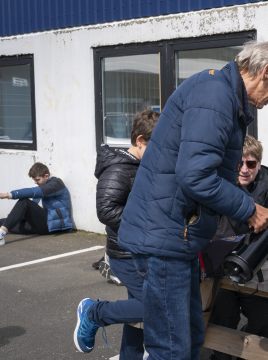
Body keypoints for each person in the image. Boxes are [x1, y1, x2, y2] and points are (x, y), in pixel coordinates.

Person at [113, 40, 268, 360]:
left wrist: (251, 214)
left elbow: (214, 178)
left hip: (176, 236)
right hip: (166, 237)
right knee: (173, 346)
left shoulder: (224, 95)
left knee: (189, 336)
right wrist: (250, 208)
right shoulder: (216, 94)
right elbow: (196, 176)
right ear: (266, 71)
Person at [73, 109, 159, 358]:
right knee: (152, 307)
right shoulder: (118, 169)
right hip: (125, 255)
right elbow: (107, 211)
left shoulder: (141, 165)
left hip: (141, 251)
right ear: (140, 141)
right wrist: (149, 226)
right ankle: (94, 312)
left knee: (136, 317)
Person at [208, 135, 268, 360]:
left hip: (252, 264)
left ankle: (245, 352)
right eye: (238, 163)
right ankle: (221, 355)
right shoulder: (216, 182)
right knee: (223, 318)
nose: (244, 169)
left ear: (259, 164)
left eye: (250, 164)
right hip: (216, 266)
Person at [0, 162, 73, 248]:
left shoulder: (56, 184)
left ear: (46, 176)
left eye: (37, 180)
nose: (35, 182)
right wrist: (15, 217)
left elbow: (32, 192)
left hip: (54, 226)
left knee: (24, 201)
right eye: (34, 180)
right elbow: (30, 211)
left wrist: (5, 195)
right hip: (40, 225)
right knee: (3, 222)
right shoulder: (40, 190)